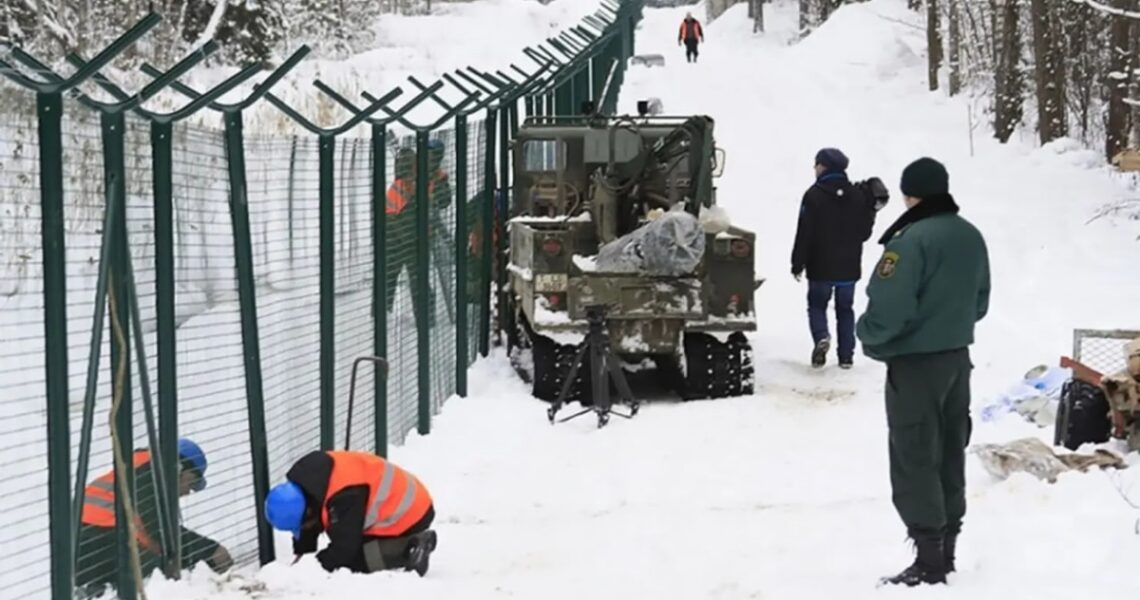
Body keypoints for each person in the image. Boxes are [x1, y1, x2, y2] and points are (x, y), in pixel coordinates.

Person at [855, 157, 990, 587]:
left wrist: (869, 336)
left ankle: (929, 559)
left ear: (909, 194)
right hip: (957, 359)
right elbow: (980, 301)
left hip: (916, 365)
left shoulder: (910, 242)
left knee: (915, 454)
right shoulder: (971, 235)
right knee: (951, 449)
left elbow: (890, 308)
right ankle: (948, 547)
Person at [75, 438, 233, 597]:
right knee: (165, 575)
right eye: (192, 482)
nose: (187, 492)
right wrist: (210, 551)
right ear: (179, 468)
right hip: (109, 545)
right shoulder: (152, 472)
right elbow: (160, 530)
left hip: (81, 550)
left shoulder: (139, 464)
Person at [264, 450, 438, 577]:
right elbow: (310, 522)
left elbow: (344, 549)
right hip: (402, 498)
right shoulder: (309, 482)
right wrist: (303, 555)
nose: (303, 529)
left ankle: (411, 547)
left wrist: (314, 568)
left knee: (358, 559)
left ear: (308, 511)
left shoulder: (344, 497)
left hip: (410, 512)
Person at [790, 148, 877, 369]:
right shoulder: (857, 195)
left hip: (820, 265)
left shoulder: (813, 195)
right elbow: (864, 233)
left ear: (824, 167)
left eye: (816, 164)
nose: (814, 169)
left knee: (817, 304)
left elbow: (805, 231)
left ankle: (821, 337)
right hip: (849, 265)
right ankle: (846, 357)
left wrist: (797, 262)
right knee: (845, 309)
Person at [385, 140, 452, 329]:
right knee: (389, 277)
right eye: (429, 156)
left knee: (419, 281)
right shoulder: (407, 176)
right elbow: (392, 211)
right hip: (395, 233)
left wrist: (438, 187)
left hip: (419, 237)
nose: (432, 160)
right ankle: (381, 317)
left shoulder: (437, 177)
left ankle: (426, 323)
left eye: (435, 157)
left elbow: (444, 201)